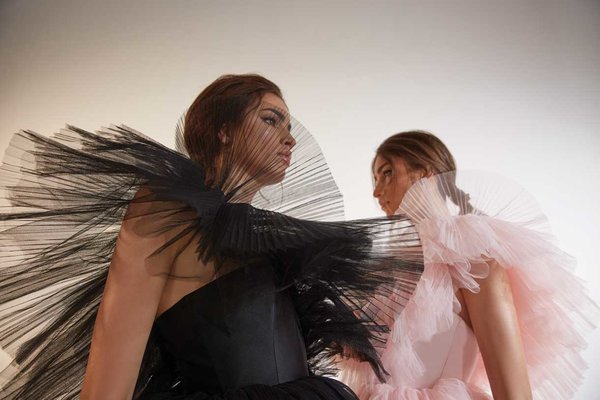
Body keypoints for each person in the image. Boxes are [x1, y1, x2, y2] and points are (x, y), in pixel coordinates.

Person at [0, 75, 423, 399]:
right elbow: (107, 384)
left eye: (289, 125)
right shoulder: (163, 212)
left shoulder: (272, 242)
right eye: (270, 119)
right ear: (223, 130)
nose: (290, 138)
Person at [338, 130, 598, 399]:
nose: (376, 191)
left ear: (424, 174)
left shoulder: (474, 258)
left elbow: (515, 394)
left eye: (387, 173)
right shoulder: (387, 271)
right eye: (376, 178)